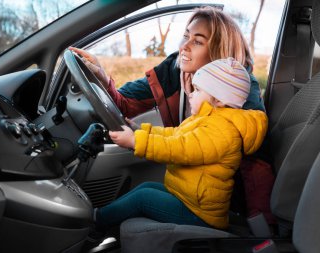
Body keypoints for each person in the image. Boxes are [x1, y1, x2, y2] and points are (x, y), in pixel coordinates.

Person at [94, 58, 268, 231]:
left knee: (143, 198)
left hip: (199, 213)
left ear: (220, 101)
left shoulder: (223, 131)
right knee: (146, 187)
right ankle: (103, 219)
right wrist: (140, 131)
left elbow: (179, 148)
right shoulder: (205, 119)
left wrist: (135, 141)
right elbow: (175, 134)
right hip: (186, 198)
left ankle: (94, 222)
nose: (191, 93)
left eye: (198, 90)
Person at [69, 6, 265, 128]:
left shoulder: (241, 87)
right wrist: (102, 76)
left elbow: (254, 164)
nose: (183, 47)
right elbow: (124, 104)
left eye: (197, 42)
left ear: (219, 52)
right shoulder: (174, 70)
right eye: (186, 36)